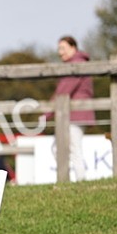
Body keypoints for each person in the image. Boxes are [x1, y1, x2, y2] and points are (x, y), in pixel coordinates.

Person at [46, 35, 94, 181]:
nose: (60, 52)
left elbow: (63, 91)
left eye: (63, 48)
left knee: (73, 149)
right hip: (72, 115)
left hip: (76, 115)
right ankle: (72, 179)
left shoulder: (76, 65)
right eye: (59, 49)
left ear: (73, 48)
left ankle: (79, 179)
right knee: (61, 148)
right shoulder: (76, 64)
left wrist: (46, 115)